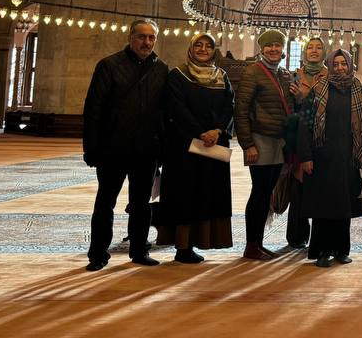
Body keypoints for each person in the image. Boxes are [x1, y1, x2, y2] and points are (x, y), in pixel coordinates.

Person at [82, 18, 170, 271]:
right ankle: (98, 254)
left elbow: (164, 113)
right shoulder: (109, 65)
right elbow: (93, 109)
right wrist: (91, 148)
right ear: (130, 38)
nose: (147, 42)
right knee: (105, 202)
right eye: (142, 37)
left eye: (151, 38)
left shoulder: (161, 69)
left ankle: (139, 250)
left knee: (141, 204)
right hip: (113, 148)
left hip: (146, 150)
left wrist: (162, 149)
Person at [155, 32, 234, 263]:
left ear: (213, 50)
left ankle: (203, 240)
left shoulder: (221, 76)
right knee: (185, 196)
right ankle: (183, 247)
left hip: (213, 146)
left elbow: (230, 106)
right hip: (184, 148)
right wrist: (200, 132)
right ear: (190, 49)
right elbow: (177, 109)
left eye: (208, 46)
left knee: (209, 194)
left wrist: (217, 130)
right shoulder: (178, 75)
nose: (203, 49)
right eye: (198, 45)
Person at [298, 49, 362, 267]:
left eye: (344, 64)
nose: (340, 68)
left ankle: (341, 250)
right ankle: (322, 251)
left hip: (350, 158)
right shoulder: (318, 90)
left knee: (345, 206)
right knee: (323, 207)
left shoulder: (361, 91)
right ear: (330, 66)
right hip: (322, 158)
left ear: (350, 66)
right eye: (336, 64)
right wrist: (305, 156)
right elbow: (304, 125)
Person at [233, 29, 293, 260]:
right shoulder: (252, 72)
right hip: (259, 139)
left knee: (267, 192)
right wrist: (247, 144)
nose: (273, 49)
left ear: (282, 48)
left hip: (278, 140)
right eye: (269, 45)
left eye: (277, 45)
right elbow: (241, 110)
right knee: (259, 192)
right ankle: (251, 245)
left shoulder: (283, 74)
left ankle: (258, 243)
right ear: (262, 49)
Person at [287, 36, 327, 249]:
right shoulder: (295, 76)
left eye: (318, 47)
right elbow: (288, 108)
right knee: (299, 187)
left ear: (324, 52)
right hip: (300, 138)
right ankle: (297, 236)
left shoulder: (330, 75)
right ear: (304, 52)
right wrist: (298, 101)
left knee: (321, 187)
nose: (314, 50)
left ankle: (320, 238)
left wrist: (306, 99)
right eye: (310, 47)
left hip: (323, 139)